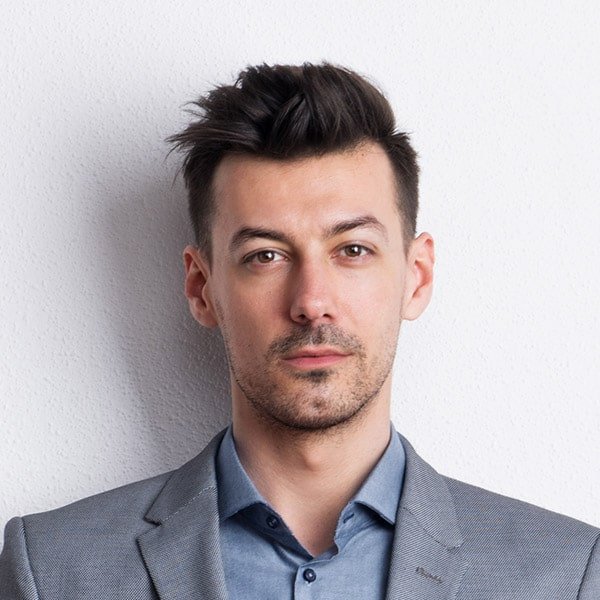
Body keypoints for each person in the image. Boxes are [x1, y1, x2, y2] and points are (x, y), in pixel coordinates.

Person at [0, 63, 598, 600]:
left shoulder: (564, 576)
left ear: (416, 277)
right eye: (265, 255)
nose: (312, 302)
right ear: (202, 287)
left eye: (353, 249)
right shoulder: (54, 571)